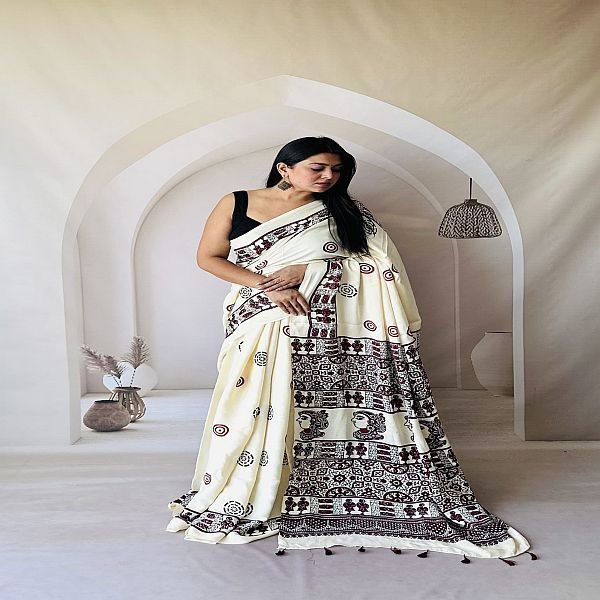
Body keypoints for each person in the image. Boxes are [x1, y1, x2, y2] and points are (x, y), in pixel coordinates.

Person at [166, 136, 535, 563]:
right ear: (285, 169)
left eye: (337, 170)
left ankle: (320, 484)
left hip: (332, 326)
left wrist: (311, 267)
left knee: (314, 405)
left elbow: (380, 264)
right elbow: (209, 257)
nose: (329, 176)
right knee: (255, 402)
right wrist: (267, 286)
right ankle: (258, 487)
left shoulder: (347, 212)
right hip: (262, 316)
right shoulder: (237, 202)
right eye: (318, 168)